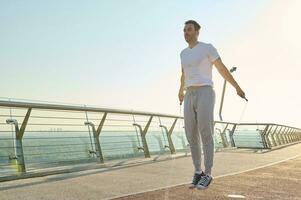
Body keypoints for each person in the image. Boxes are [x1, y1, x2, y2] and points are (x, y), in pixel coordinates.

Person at [178, 20, 246, 189]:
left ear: (197, 32)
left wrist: (237, 87)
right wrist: (180, 91)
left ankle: (208, 173)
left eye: (189, 29)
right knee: (191, 134)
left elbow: (222, 69)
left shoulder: (207, 48)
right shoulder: (183, 53)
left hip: (205, 92)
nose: (186, 32)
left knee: (205, 132)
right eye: (184, 30)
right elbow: (183, 74)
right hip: (189, 94)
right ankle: (197, 171)